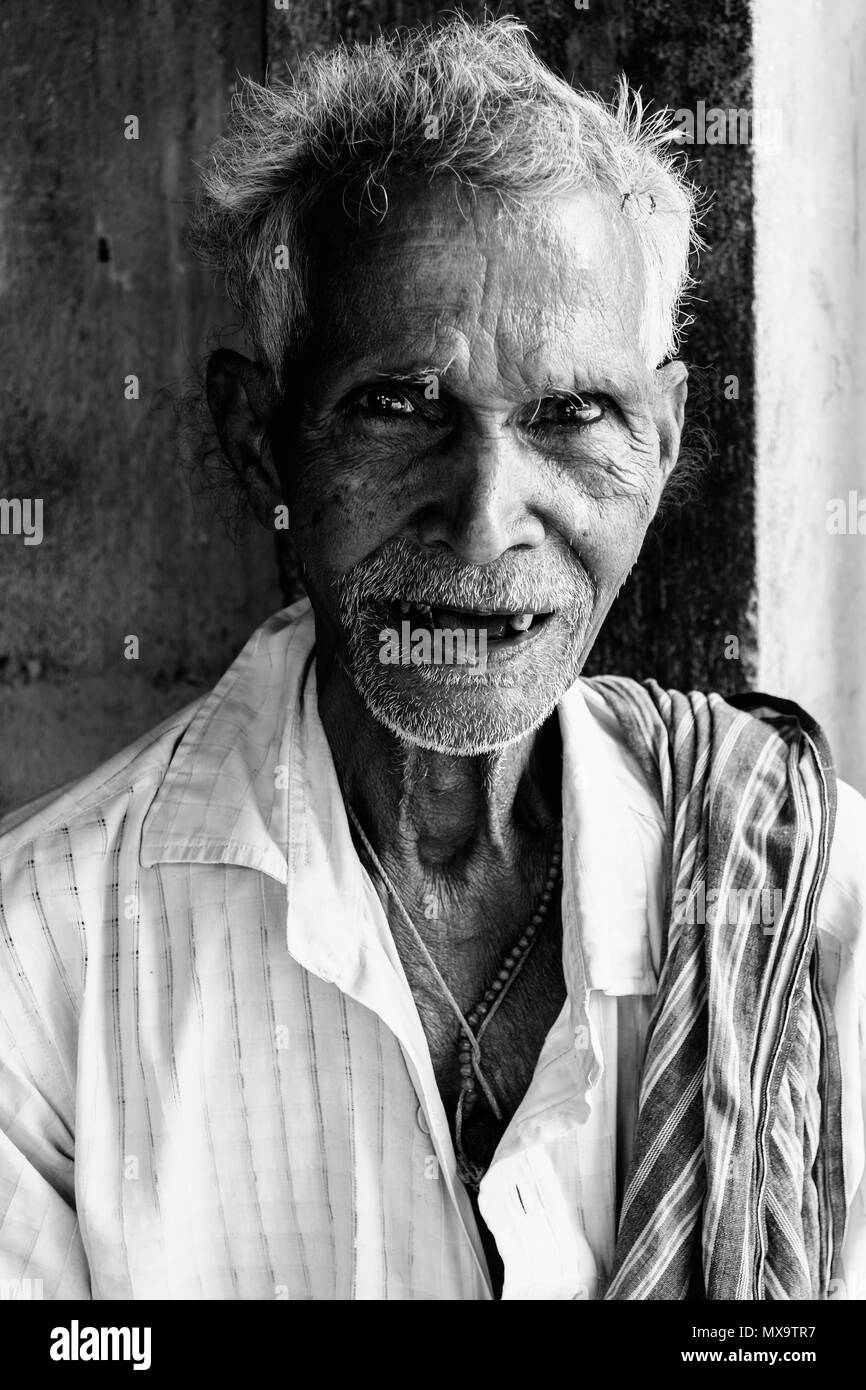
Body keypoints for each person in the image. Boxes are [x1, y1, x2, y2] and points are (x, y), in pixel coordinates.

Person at [0, 15, 863, 1301]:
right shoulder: (41, 962)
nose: (483, 514)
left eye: (573, 414)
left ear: (666, 440)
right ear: (262, 443)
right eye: (399, 406)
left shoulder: (814, 899)